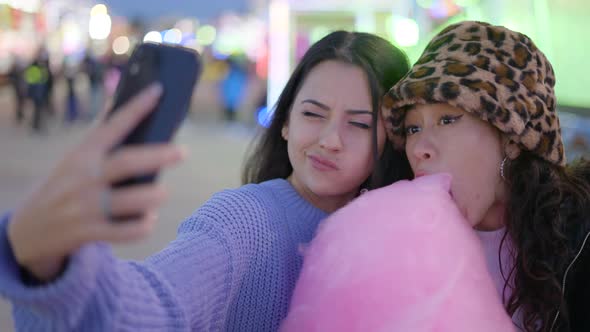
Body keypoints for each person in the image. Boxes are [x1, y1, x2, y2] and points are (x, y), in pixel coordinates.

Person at [0, 31, 411, 331]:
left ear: (392, 138)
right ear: (284, 122)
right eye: (312, 114)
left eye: (359, 124)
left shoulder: (410, 231)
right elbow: (158, 306)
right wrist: (49, 262)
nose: (330, 140)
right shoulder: (244, 221)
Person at [381, 21, 590, 331]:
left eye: (447, 120)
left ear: (512, 139)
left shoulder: (580, 243)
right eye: (413, 128)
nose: (419, 148)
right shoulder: (396, 246)